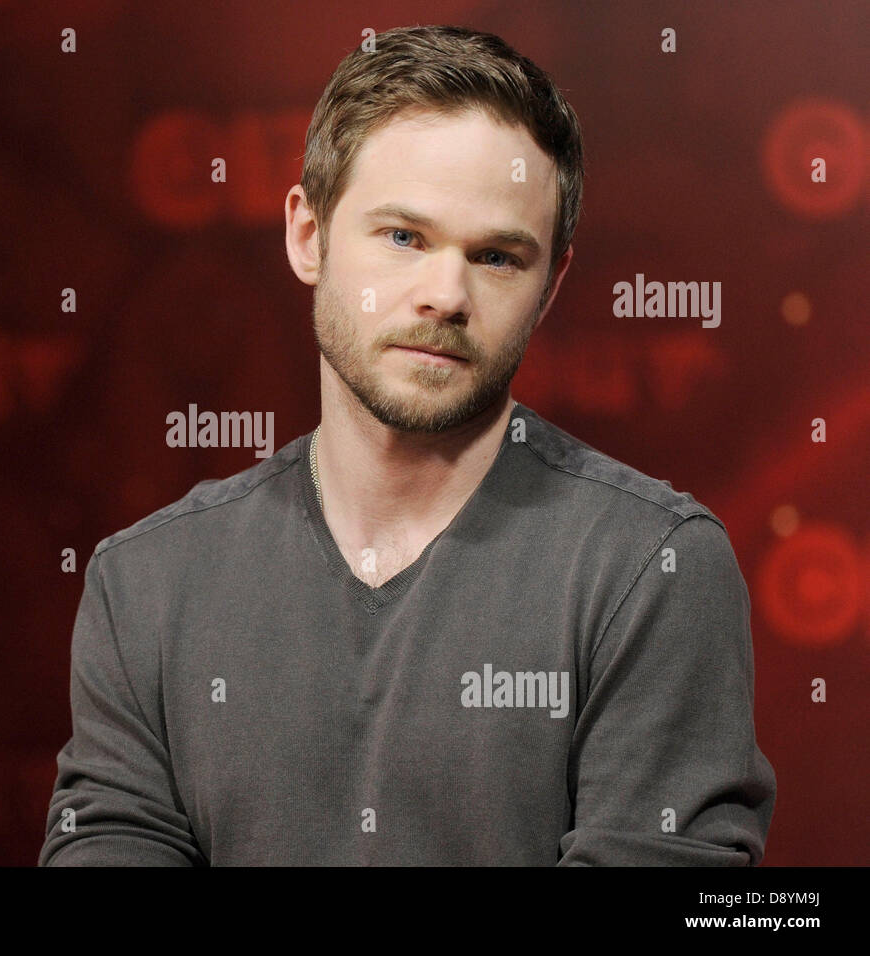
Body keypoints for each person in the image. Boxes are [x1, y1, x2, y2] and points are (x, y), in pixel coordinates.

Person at [38, 24, 776, 865]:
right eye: (403, 238)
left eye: (497, 256)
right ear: (308, 237)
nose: (446, 294)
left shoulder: (652, 570)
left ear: (552, 284)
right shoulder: (147, 584)